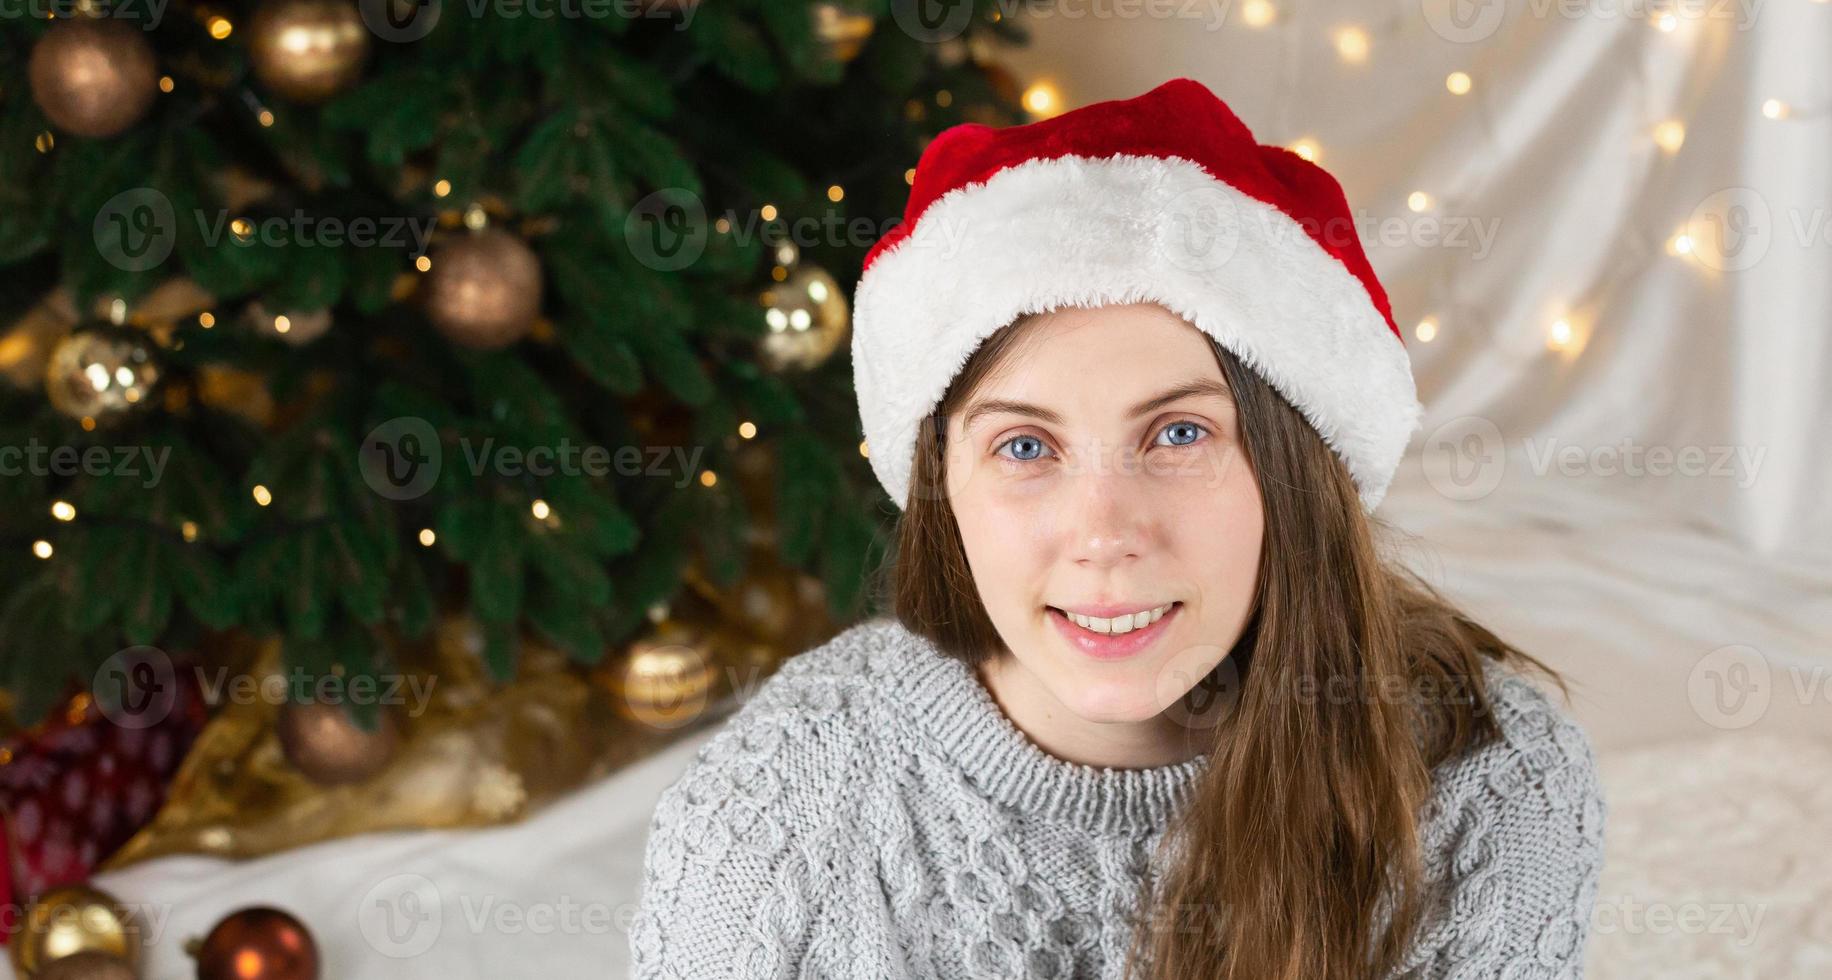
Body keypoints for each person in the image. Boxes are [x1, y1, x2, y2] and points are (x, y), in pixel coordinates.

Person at [629, 77, 1606, 980]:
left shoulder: (1495, 788)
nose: (1101, 533)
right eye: (1022, 446)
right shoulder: (771, 810)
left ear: (1294, 475)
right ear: (940, 490)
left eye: (1178, 432)